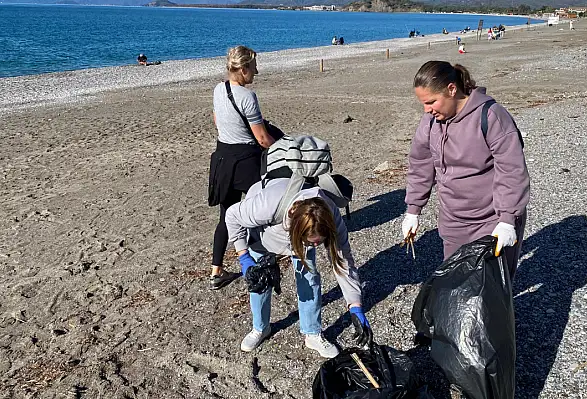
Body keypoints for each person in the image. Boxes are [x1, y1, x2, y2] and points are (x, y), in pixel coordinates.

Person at [402, 61, 529, 278]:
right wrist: (413, 210)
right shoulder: (430, 123)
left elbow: (512, 170)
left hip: (492, 219)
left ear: (452, 89)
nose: (427, 110)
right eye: (423, 104)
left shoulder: (491, 116)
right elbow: (420, 166)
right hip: (453, 221)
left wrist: (507, 220)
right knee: (456, 282)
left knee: (493, 285)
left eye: (431, 102)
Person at [225, 179, 372, 358]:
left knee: (309, 278)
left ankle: (312, 333)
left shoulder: (330, 215)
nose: (318, 245)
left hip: (296, 240)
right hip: (263, 233)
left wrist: (355, 306)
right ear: (297, 231)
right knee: (260, 281)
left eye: (320, 241)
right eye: (314, 241)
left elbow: (344, 262)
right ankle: (260, 328)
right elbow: (232, 215)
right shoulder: (266, 205)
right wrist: (244, 258)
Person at [208, 45, 276, 290]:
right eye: (254, 67)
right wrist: (280, 144)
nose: (256, 72)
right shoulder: (248, 97)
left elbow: (217, 119)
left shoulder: (218, 89)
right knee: (260, 208)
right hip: (245, 160)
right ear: (244, 68)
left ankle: (217, 270)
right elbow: (261, 139)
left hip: (222, 158)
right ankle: (262, 256)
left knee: (226, 215)